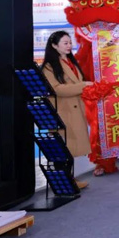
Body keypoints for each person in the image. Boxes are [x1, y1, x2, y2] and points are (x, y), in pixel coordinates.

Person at [41, 31, 93, 189]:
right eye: (65, 43)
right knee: (63, 148)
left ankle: (69, 180)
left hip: (75, 110)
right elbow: (56, 89)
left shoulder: (71, 62)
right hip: (63, 112)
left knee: (70, 149)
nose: (69, 46)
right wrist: (83, 86)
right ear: (54, 45)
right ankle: (64, 182)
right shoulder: (49, 67)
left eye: (70, 42)